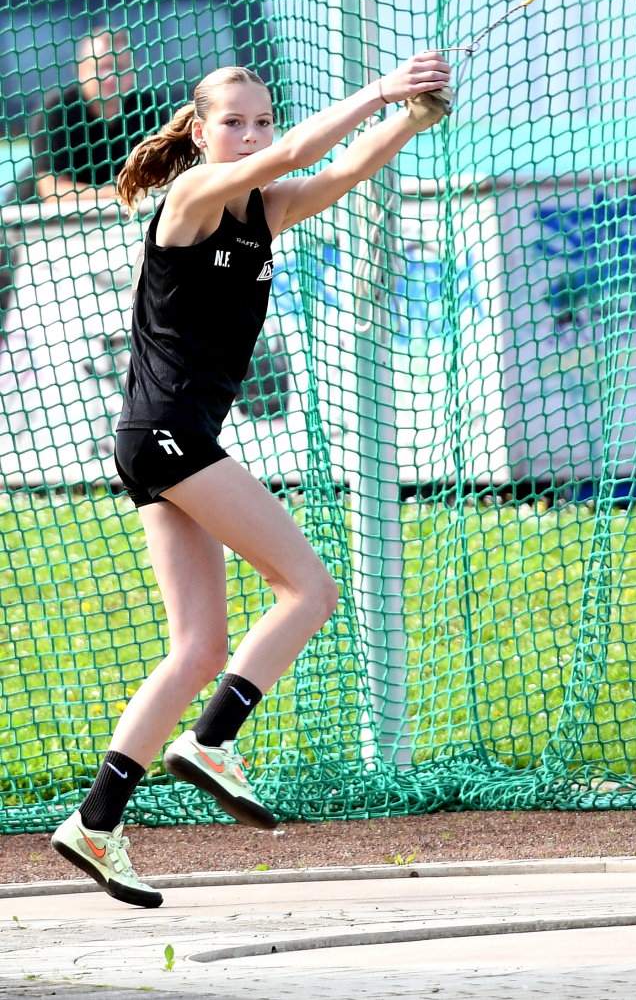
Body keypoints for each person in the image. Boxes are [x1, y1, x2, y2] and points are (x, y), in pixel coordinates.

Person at [48, 52, 451, 908]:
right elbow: (301, 156)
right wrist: (381, 90)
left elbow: (342, 168)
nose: (252, 134)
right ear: (199, 134)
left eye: (262, 120)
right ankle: (213, 742)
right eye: (234, 122)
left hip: (163, 440)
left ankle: (94, 823)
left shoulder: (264, 213)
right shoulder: (192, 198)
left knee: (197, 647)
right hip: (167, 436)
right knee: (307, 589)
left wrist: (410, 120)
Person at [30, 25, 158, 201]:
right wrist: (121, 191)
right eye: (102, 67)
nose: (111, 77)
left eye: (120, 68)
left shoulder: (149, 108)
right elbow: (53, 192)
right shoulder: (56, 110)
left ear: (134, 69)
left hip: (123, 218)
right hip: (37, 223)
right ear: (81, 70)